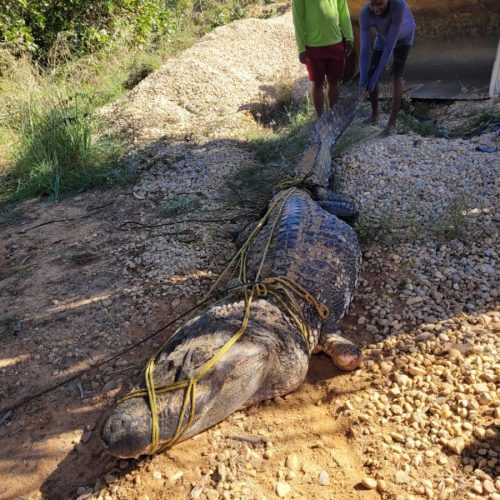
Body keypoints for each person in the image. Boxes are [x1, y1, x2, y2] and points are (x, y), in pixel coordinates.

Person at [359, 0, 415, 135]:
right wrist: (363, 80)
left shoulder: (398, 5)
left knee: (397, 76)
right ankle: (375, 114)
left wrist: (373, 80)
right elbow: (364, 49)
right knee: (371, 71)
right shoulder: (365, 12)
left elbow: (389, 48)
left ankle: (392, 123)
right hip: (383, 36)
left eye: (380, 4)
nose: (375, 8)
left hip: (404, 36)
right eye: (373, 4)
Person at [292, 0, 354, 118]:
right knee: (317, 83)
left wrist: (349, 37)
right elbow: (297, 20)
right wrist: (301, 49)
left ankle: (333, 115)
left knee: (334, 81)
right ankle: (320, 119)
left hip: (336, 42)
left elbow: (343, 12)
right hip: (313, 46)